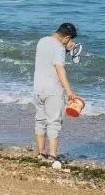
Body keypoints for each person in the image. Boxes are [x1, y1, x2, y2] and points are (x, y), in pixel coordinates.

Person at [32, 22, 81, 161]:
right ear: (67, 37)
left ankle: (41, 152)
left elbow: (49, 57)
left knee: (40, 120)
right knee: (54, 122)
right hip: (53, 90)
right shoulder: (59, 48)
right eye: (70, 39)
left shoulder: (42, 41)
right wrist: (69, 91)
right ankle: (53, 155)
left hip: (38, 88)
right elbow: (59, 68)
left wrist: (66, 50)